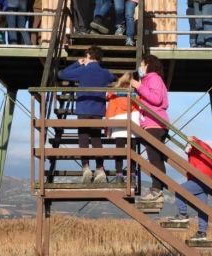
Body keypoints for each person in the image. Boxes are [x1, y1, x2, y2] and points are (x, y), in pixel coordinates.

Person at [58, 46, 116, 183]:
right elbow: (114, 77)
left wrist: (78, 63)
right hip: (98, 110)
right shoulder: (105, 72)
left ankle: (86, 168)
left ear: (89, 55)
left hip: (83, 109)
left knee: (83, 138)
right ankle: (100, 169)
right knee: (96, 139)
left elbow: (62, 74)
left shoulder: (82, 70)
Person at [130, 54, 169, 201]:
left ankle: (157, 189)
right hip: (154, 123)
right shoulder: (151, 79)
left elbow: (156, 99)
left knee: (154, 158)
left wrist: (139, 86)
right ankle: (157, 189)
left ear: (148, 65)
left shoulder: (153, 78)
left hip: (154, 123)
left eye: (142, 64)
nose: (140, 67)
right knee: (156, 158)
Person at [169, 136, 212, 241]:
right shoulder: (201, 151)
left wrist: (192, 140)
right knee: (202, 207)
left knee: (180, 189)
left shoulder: (197, 146)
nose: (187, 149)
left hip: (200, 178)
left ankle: (182, 214)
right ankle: (202, 232)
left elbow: (198, 146)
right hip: (206, 180)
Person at [105, 72, 139, 183]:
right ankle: (132, 175)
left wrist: (107, 129)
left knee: (119, 152)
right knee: (132, 152)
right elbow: (138, 110)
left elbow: (110, 111)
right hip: (132, 126)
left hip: (118, 126)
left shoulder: (114, 93)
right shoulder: (135, 94)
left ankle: (119, 175)